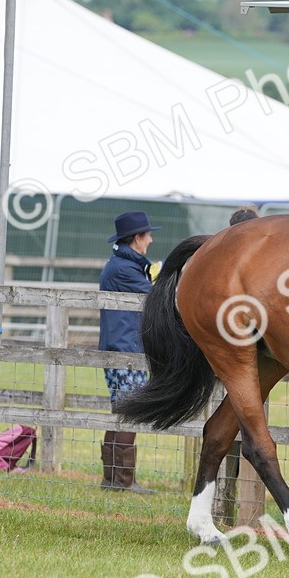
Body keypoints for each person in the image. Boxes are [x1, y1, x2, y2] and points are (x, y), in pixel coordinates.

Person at [98, 210, 160, 494]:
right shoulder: (124, 269)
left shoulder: (121, 264)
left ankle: (113, 478)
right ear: (136, 238)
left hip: (120, 344)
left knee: (120, 411)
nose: (150, 241)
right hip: (126, 348)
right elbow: (154, 296)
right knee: (130, 412)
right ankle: (123, 480)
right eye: (147, 236)